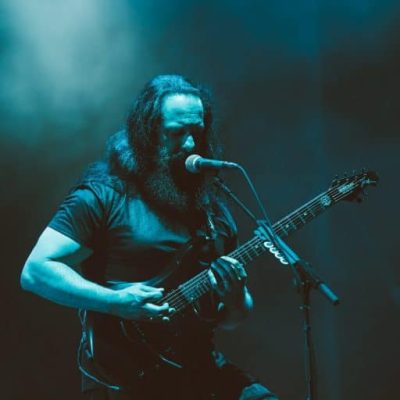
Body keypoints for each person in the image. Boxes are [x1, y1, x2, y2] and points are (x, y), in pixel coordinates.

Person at [20, 75, 278, 399]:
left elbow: (231, 319)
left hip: (197, 368)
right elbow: (36, 271)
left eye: (197, 132)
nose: (190, 144)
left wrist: (236, 293)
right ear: (147, 133)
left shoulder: (213, 212)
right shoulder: (104, 196)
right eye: (176, 133)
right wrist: (115, 302)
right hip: (124, 377)